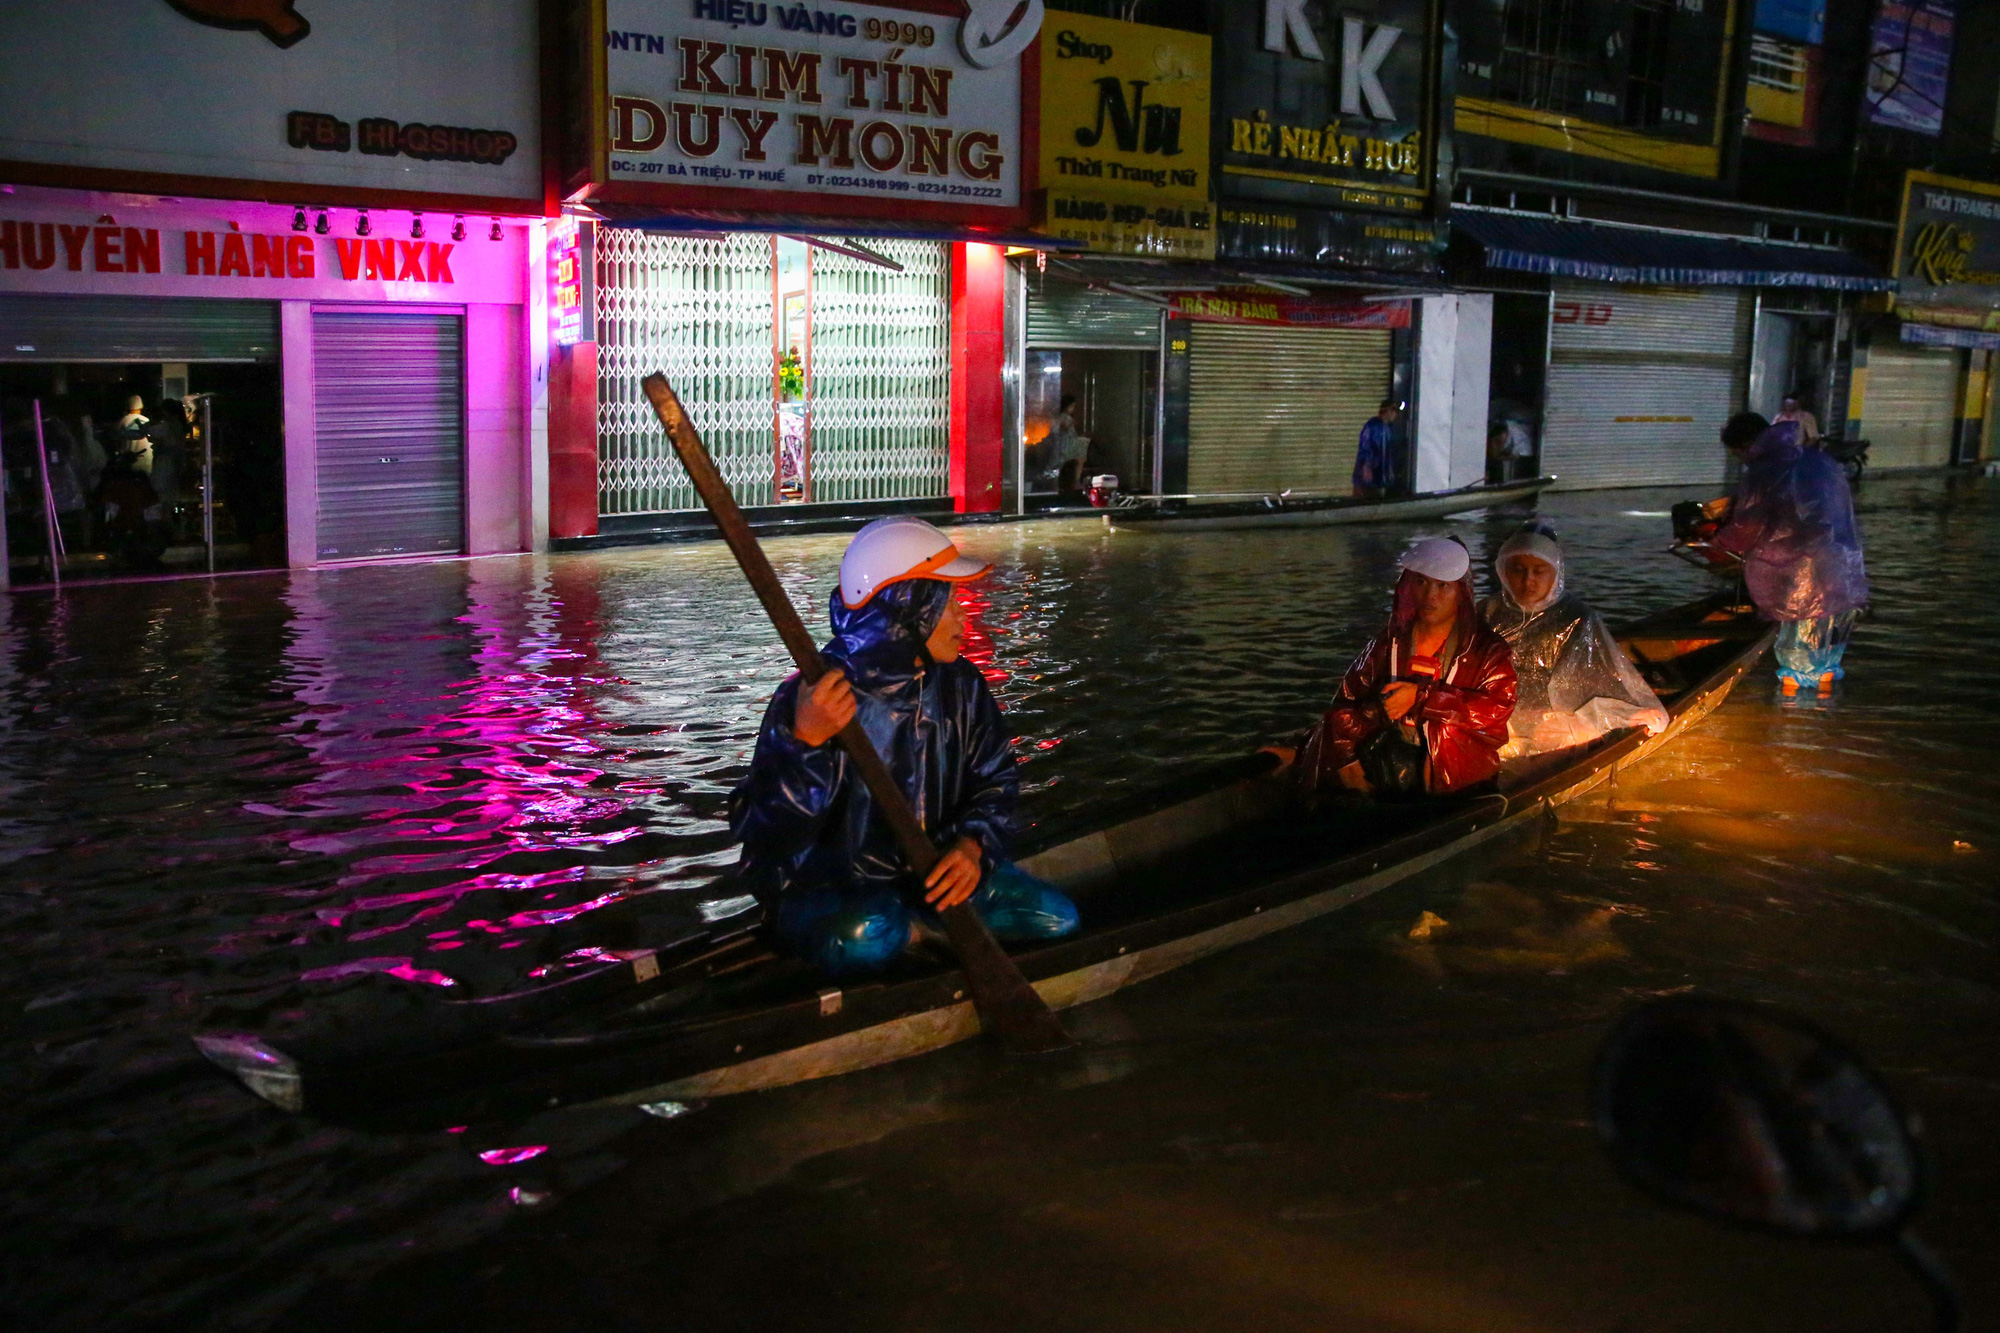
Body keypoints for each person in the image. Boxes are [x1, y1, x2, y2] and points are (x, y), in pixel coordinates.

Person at [731, 517, 1080, 977]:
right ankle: (915, 933)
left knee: (1056, 917)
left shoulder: (961, 686)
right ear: (910, 610)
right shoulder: (817, 696)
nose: (962, 616)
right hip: (838, 890)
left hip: (930, 878)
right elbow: (769, 836)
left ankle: (916, 928)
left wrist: (972, 848)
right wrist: (806, 744)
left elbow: (996, 781)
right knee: (863, 933)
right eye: (948, 601)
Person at [1276, 536, 1517, 798]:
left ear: (1461, 592)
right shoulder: (1389, 643)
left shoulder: (1487, 650)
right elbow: (1346, 702)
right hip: (1388, 764)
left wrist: (1423, 699)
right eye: (1421, 582)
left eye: (1442, 585)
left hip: (1454, 779)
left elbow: (1495, 712)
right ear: (1408, 585)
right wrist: (1306, 749)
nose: (1430, 595)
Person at [1479, 522, 1668, 760]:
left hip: (1552, 722)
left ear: (1555, 572)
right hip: (1497, 716)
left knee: (1570, 734)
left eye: (1539, 571)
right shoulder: (1487, 612)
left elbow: (1591, 680)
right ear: (1504, 571)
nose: (1528, 581)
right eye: (1519, 570)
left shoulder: (1575, 616)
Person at [1713, 412, 1869, 695]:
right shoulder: (1817, 460)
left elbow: (1747, 526)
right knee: (1827, 650)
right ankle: (1821, 716)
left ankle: (1789, 718)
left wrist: (1719, 541)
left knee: (1795, 657)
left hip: (1798, 575)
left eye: (1738, 453)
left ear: (1747, 445)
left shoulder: (1763, 472)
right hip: (1840, 568)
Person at [1353, 399, 1400, 499]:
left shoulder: (1387, 428)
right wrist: (1367, 467)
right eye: (1394, 411)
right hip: (1369, 480)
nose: (1395, 415)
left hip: (1379, 479)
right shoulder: (1373, 426)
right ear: (1388, 411)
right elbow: (1366, 448)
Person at [1051, 394, 1089, 494]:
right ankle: (1075, 480)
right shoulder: (1063, 418)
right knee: (1083, 444)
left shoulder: (1065, 417)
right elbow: (1060, 429)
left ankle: (1076, 480)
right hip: (1065, 444)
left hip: (1067, 442)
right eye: (1072, 406)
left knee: (1082, 448)